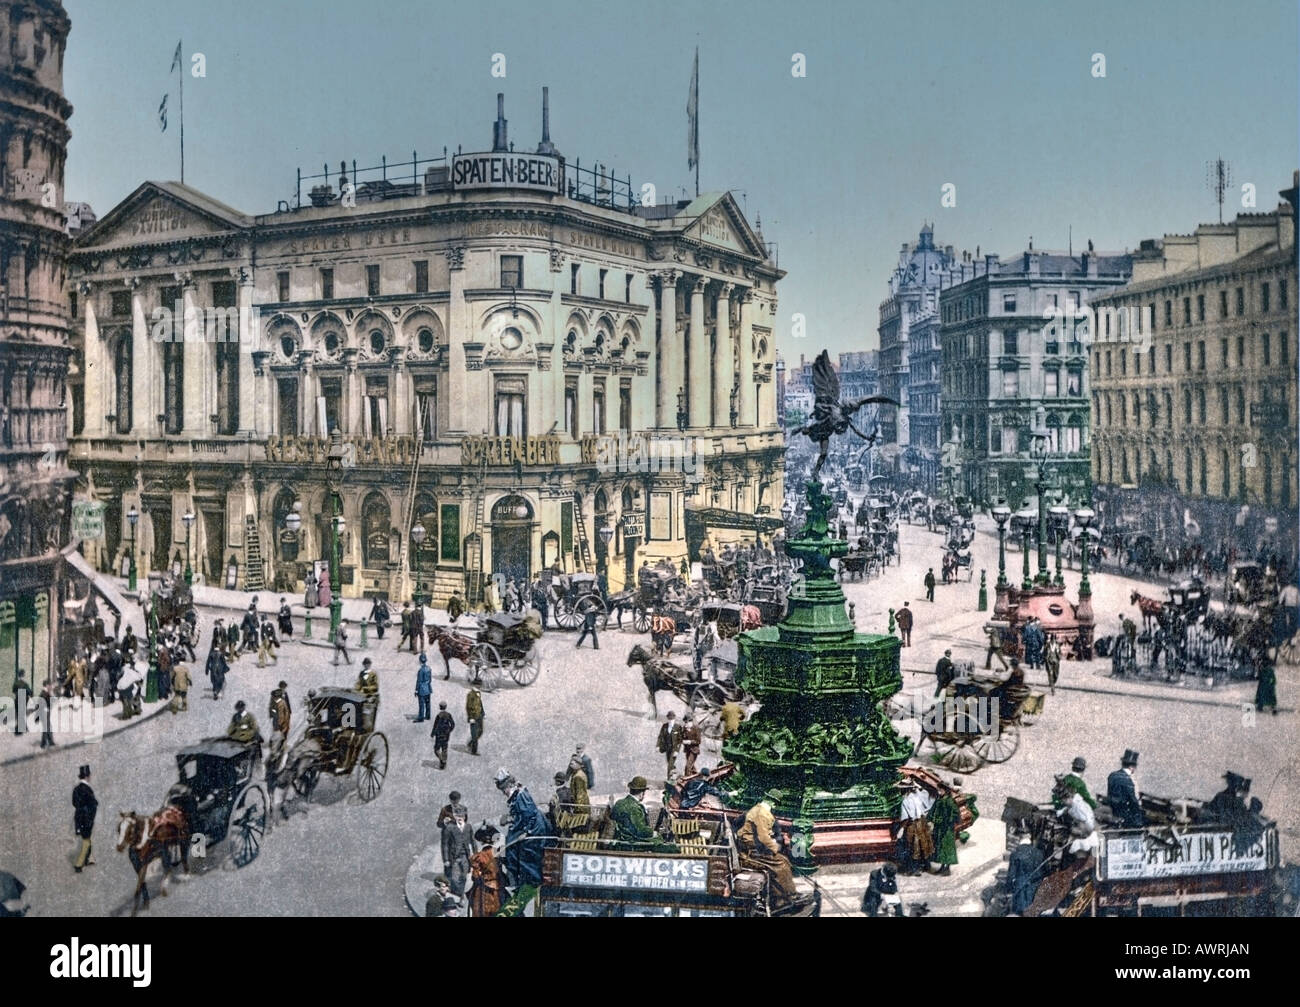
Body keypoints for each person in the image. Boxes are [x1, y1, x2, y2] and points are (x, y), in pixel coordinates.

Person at [736, 797, 797, 905]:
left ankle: (783, 896)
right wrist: (774, 848)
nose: (775, 807)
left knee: (783, 861)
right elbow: (763, 838)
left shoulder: (758, 810)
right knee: (782, 864)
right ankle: (786, 897)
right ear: (772, 802)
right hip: (752, 852)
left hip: (752, 848)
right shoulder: (761, 814)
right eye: (776, 804)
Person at [495, 771, 551, 889]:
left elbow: (530, 816)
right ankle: (517, 878)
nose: (503, 793)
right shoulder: (516, 794)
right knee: (510, 844)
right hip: (527, 825)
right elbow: (521, 814)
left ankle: (531, 882)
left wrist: (526, 832)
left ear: (509, 785)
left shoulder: (521, 795)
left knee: (524, 851)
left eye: (503, 789)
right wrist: (510, 819)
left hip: (534, 828)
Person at [898, 779, 934, 875]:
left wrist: (901, 829)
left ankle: (914, 869)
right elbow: (927, 800)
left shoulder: (905, 801)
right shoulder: (917, 796)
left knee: (912, 846)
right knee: (924, 843)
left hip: (912, 825)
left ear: (905, 790)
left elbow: (906, 817)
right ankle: (926, 866)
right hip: (922, 823)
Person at [469, 824, 506, 917]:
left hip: (484, 892)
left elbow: (475, 876)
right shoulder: (499, 853)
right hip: (499, 890)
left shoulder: (479, 856)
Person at [1006, 833, 1047, 916]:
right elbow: (1044, 872)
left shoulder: (1015, 854)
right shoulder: (1039, 853)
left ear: (1020, 841)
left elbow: (1011, 875)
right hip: (1035, 887)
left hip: (1021, 887)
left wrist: (1008, 889)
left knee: (1020, 911)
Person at [610, 776, 658, 846]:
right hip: (631, 843)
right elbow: (640, 830)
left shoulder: (619, 803)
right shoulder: (635, 807)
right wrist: (653, 833)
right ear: (641, 793)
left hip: (618, 840)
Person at [929, 779, 963, 875]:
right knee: (941, 847)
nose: (939, 791)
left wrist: (948, 821)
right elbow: (933, 810)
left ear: (945, 790)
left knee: (947, 848)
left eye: (941, 790)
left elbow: (955, 813)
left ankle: (947, 868)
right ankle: (942, 867)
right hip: (940, 828)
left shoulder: (949, 801)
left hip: (947, 829)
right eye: (939, 790)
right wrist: (930, 819)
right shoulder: (940, 799)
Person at [1106, 749, 1144, 828]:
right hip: (1125, 815)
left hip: (1113, 811)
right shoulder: (1128, 780)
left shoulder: (1112, 775)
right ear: (1131, 767)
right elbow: (1133, 801)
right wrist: (1139, 814)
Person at [72, 765, 97, 874]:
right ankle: (79, 864)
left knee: (86, 838)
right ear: (87, 776)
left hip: (79, 818)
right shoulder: (87, 789)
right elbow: (93, 804)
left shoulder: (76, 789)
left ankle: (88, 859)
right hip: (86, 819)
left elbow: (74, 803)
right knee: (86, 841)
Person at [657, 711, 684, 779]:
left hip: (674, 749)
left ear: (674, 719)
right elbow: (661, 736)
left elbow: (679, 740)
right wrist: (658, 745)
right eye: (669, 719)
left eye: (672, 719)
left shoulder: (678, 727)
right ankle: (674, 774)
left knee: (670, 765)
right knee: (670, 763)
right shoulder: (664, 726)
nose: (670, 720)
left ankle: (669, 779)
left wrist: (677, 751)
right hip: (667, 748)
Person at [429, 702, 454, 769]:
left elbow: (435, 726)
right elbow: (453, 724)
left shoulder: (438, 716)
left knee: (436, 749)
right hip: (446, 735)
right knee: (444, 749)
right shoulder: (449, 715)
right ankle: (444, 761)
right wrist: (449, 730)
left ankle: (441, 759)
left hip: (439, 735)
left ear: (440, 707)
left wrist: (432, 734)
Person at [466, 686, 484, 755]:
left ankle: (470, 743)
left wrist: (483, 713)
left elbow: (480, 704)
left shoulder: (478, 693)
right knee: (474, 734)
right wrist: (471, 718)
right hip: (473, 716)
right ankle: (474, 751)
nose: (480, 687)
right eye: (478, 685)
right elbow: (468, 707)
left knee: (480, 731)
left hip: (479, 715)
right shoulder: (470, 695)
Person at [415, 653, 432, 722]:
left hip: (422, 689)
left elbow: (419, 681)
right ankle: (428, 716)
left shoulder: (420, 670)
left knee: (421, 704)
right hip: (428, 688)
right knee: (428, 703)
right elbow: (430, 679)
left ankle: (421, 717)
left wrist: (416, 690)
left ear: (420, 661)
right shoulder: (429, 669)